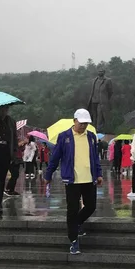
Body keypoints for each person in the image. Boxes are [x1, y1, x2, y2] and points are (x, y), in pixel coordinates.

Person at [45, 109, 102, 255]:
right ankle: (74, 240)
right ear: (74, 121)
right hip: (72, 180)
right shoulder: (64, 137)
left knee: (91, 206)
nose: (84, 126)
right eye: (81, 123)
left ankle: (76, 224)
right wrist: (48, 174)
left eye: (86, 123)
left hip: (89, 178)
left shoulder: (91, 137)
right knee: (72, 210)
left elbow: (95, 157)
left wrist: (99, 173)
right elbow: (55, 157)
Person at [0, 105, 17, 216]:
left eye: (6, 109)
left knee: (1, 181)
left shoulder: (11, 121)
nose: (4, 111)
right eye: (2, 109)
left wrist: (14, 154)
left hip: (6, 154)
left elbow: (14, 138)